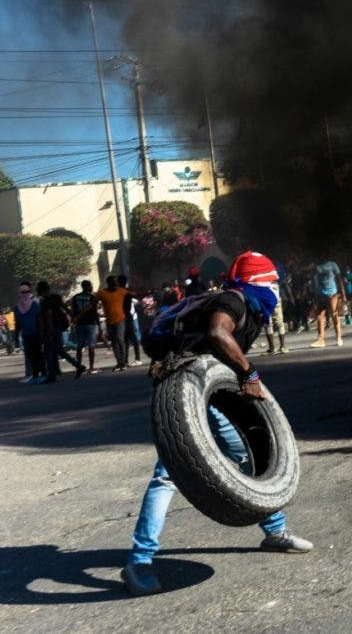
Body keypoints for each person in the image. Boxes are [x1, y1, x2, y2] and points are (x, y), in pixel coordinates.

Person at [121, 250, 312, 596]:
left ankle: (275, 531)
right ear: (259, 282)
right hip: (183, 389)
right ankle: (139, 562)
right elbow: (217, 334)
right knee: (167, 475)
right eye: (272, 282)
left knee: (243, 454)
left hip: (205, 388)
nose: (276, 289)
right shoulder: (235, 301)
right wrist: (249, 373)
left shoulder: (246, 305)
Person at [38, 281, 86, 383]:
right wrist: (73, 317)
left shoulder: (44, 301)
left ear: (41, 290)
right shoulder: (56, 297)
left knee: (50, 352)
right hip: (60, 326)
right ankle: (75, 367)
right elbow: (65, 308)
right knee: (58, 351)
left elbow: (49, 315)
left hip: (52, 328)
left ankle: (52, 375)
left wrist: (49, 332)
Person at [308, 259, 345, 348]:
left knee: (334, 315)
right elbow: (313, 278)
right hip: (320, 294)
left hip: (332, 294)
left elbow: (339, 279)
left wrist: (343, 293)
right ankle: (321, 340)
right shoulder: (317, 266)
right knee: (320, 316)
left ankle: (339, 337)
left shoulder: (332, 264)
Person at [14, 282, 44, 383]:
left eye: (27, 291)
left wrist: (41, 332)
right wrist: (16, 336)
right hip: (26, 334)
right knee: (30, 356)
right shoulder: (17, 307)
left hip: (36, 333)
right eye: (23, 292)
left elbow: (39, 318)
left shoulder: (35, 303)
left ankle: (43, 373)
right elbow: (17, 323)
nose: (25, 294)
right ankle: (35, 375)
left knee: (38, 354)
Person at [97, 275, 128, 372]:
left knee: (120, 339)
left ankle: (123, 362)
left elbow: (132, 297)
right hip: (109, 321)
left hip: (121, 320)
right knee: (114, 342)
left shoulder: (122, 291)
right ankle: (119, 362)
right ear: (109, 283)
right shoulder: (102, 293)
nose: (116, 284)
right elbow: (92, 303)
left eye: (117, 282)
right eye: (114, 282)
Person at [70, 280, 101, 375]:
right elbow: (95, 312)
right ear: (89, 287)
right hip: (90, 323)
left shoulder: (75, 297)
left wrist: (74, 320)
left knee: (80, 346)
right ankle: (91, 367)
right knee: (91, 346)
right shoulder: (92, 297)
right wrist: (99, 325)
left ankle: (79, 366)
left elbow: (73, 311)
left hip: (79, 324)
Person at [118, 275, 144, 367]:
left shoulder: (120, 292)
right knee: (131, 339)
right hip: (128, 318)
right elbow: (135, 298)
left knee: (125, 340)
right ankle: (135, 359)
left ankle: (128, 360)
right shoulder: (128, 292)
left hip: (123, 318)